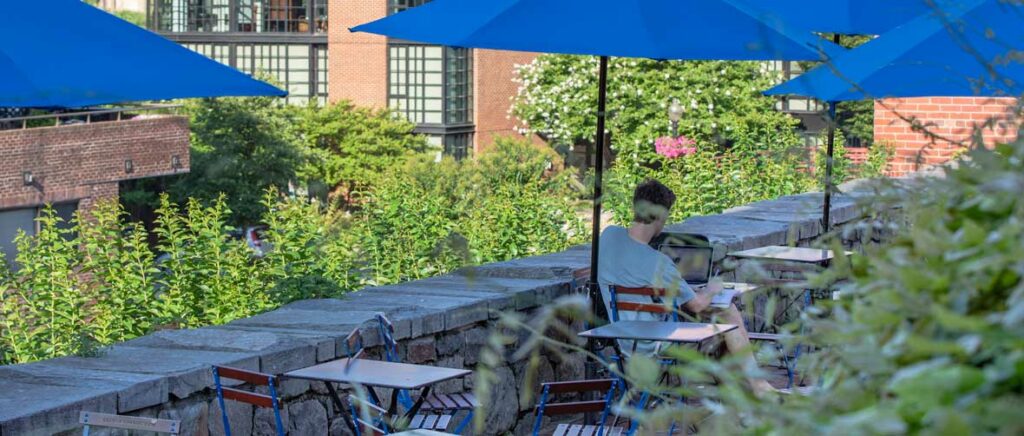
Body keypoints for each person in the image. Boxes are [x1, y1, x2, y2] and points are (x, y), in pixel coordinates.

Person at [597, 179, 776, 394]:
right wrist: (712, 288)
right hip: (653, 346)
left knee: (723, 333)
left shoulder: (608, 237)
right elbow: (697, 305)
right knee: (727, 317)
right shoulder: (658, 262)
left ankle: (743, 401)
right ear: (661, 215)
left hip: (623, 342)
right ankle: (754, 390)